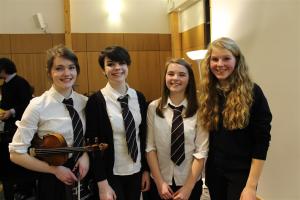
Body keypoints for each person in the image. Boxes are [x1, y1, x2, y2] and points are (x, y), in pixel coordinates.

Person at [9, 45, 89, 200]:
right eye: (59, 68)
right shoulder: (37, 105)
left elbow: (87, 137)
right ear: (50, 72)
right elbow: (16, 154)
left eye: (71, 67)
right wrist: (55, 170)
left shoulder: (84, 102)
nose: (66, 73)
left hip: (83, 174)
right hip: (53, 177)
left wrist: (84, 154)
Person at [198, 37, 272, 200]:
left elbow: (262, 141)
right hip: (214, 173)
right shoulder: (208, 93)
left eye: (226, 58)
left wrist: (251, 186)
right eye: (215, 59)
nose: (220, 64)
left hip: (241, 175)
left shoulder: (253, 92)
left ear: (237, 60)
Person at [85, 45, 150, 200]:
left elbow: (144, 136)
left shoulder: (139, 97)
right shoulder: (96, 102)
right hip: (110, 173)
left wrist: (146, 170)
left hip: (136, 169)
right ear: (103, 70)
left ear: (128, 66)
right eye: (110, 64)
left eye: (122, 63)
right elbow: (93, 146)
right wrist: (102, 183)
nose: (117, 68)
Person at [146, 58, 209, 200]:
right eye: (171, 74)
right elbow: (150, 148)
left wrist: (187, 188)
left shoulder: (200, 109)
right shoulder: (153, 108)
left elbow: (201, 152)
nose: (175, 78)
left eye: (181, 74)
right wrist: (160, 182)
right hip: (160, 181)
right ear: (165, 77)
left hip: (189, 182)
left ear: (189, 79)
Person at [0, 57, 33, 200]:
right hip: (8, 128)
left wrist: (11, 111)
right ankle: (15, 186)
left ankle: (25, 190)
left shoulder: (20, 82)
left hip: (20, 127)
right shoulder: (5, 84)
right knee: (10, 160)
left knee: (21, 158)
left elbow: (27, 104)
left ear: (4, 69)